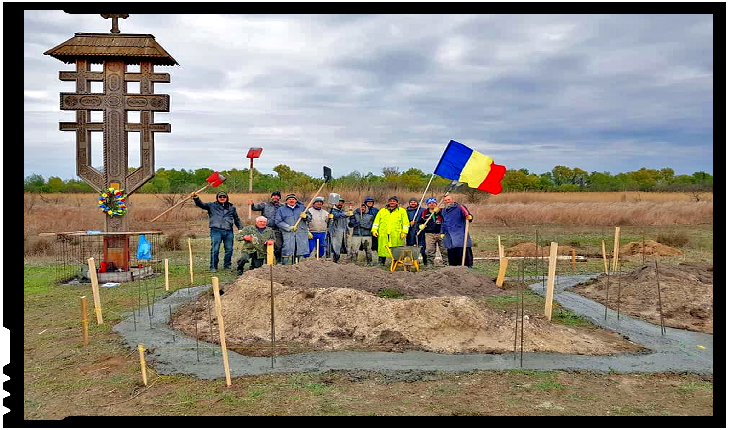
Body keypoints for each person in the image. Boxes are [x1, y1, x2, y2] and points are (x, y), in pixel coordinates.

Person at [192, 190, 243, 272]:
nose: (222, 198)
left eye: (224, 197)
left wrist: (240, 228)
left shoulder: (231, 208)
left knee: (229, 249)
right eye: (220, 197)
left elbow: (236, 219)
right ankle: (213, 267)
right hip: (216, 230)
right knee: (215, 249)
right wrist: (196, 198)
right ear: (217, 198)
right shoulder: (211, 205)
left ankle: (227, 266)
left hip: (229, 231)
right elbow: (201, 204)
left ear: (227, 198)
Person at [371, 196, 410, 266]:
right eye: (391, 201)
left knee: (396, 249)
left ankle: (395, 264)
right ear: (388, 202)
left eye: (394, 201)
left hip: (396, 234)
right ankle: (381, 262)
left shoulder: (402, 211)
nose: (392, 202)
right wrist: (374, 230)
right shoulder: (382, 211)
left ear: (397, 202)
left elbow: (405, 223)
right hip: (383, 233)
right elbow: (376, 222)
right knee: (382, 248)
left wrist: (404, 232)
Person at [274, 193, 312, 265]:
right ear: (286, 201)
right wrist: (289, 227)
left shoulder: (302, 208)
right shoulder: (281, 210)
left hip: (300, 233)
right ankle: (285, 267)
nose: (291, 200)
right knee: (287, 251)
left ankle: (297, 266)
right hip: (288, 233)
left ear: (296, 201)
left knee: (299, 250)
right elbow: (278, 222)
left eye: (293, 199)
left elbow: (310, 218)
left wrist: (306, 216)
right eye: (289, 199)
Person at [249, 191, 283, 264]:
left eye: (277, 196)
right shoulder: (265, 204)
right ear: (271, 197)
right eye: (274, 196)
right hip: (265, 229)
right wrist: (252, 204)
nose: (275, 197)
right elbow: (255, 208)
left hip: (277, 230)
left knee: (278, 246)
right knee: (261, 246)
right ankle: (258, 263)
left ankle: (278, 262)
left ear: (279, 198)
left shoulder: (282, 207)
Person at [441, 195, 474, 267]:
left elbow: (467, 215)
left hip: (459, 233)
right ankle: (453, 268)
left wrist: (470, 217)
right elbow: (443, 222)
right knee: (451, 252)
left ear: (452, 200)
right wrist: (442, 232)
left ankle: (466, 267)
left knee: (462, 251)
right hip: (448, 234)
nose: (447, 201)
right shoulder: (443, 210)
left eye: (448, 199)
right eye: (445, 200)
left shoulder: (460, 207)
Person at [416, 197, 449, 266]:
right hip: (429, 234)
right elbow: (419, 222)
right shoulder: (424, 213)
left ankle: (446, 263)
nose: (432, 204)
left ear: (436, 204)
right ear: (427, 205)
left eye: (433, 203)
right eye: (430, 203)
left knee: (444, 249)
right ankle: (430, 264)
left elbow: (447, 219)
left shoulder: (442, 211)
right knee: (430, 250)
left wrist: (439, 212)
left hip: (441, 233)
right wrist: (420, 226)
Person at [327, 197, 351, 263]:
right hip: (335, 233)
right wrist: (346, 214)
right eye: (339, 202)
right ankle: (332, 262)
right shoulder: (332, 211)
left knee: (341, 248)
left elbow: (345, 223)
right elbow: (337, 216)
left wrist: (347, 231)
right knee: (335, 248)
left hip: (342, 233)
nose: (340, 204)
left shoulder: (342, 211)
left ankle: (336, 262)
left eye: (342, 202)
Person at [405, 197, 427, 264]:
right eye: (411, 202)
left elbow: (426, 218)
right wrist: (409, 223)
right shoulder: (406, 211)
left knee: (422, 246)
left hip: (420, 230)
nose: (413, 203)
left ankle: (425, 261)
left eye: (414, 202)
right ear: (409, 203)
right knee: (410, 246)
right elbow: (403, 221)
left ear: (417, 203)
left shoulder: (422, 210)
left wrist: (422, 224)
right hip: (410, 231)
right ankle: (411, 262)